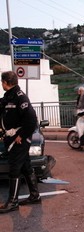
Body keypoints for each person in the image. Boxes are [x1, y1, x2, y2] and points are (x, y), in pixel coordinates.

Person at [0, 71, 41, 213]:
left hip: (19, 140)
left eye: (2, 82)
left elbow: (31, 120)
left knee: (14, 169)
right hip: (12, 138)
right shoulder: (8, 96)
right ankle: (35, 196)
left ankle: (13, 202)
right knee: (26, 167)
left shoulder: (20, 97)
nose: (1, 84)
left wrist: (21, 136)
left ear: (5, 82)